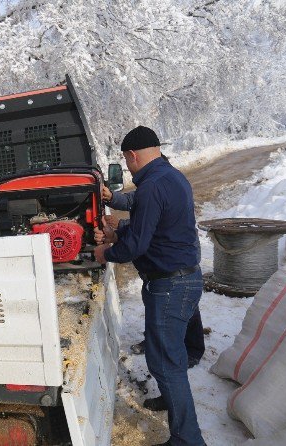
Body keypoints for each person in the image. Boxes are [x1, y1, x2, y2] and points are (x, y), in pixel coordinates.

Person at [94, 126, 206, 446]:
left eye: (126, 161)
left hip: (170, 287)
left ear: (131, 156)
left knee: (165, 363)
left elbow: (137, 246)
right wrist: (121, 224)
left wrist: (107, 251)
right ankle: (172, 401)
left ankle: (187, 439)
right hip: (184, 277)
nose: (127, 167)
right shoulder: (171, 177)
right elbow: (155, 223)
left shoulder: (151, 186)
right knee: (169, 358)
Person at [102, 179, 205, 377]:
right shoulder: (152, 185)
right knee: (157, 304)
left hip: (180, 262)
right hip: (161, 264)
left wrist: (121, 226)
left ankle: (193, 349)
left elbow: (154, 223)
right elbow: (134, 200)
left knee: (186, 307)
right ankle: (154, 340)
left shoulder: (168, 186)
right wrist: (112, 197)